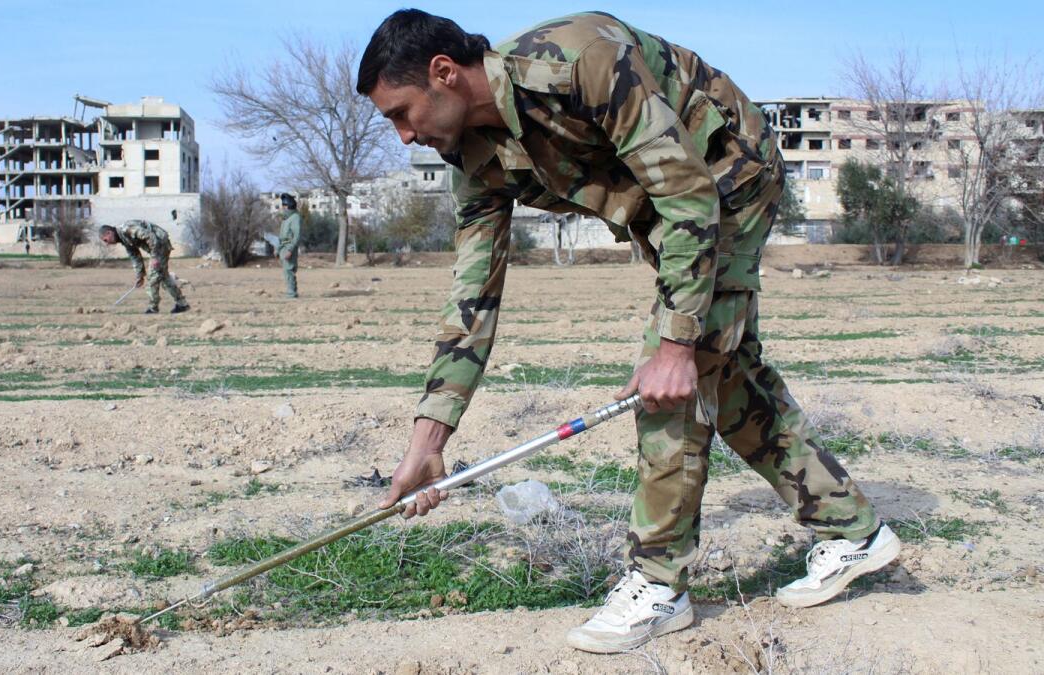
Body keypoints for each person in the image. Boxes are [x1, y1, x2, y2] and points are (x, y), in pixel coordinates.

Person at [358, 9, 900, 653]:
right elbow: (473, 295)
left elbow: (689, 192)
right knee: (723, 375)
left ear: (443, 73)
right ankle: (852, 531)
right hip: (670, 219)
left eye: (401, 112)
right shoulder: (471, 158)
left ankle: (659, 581)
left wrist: (675, 345)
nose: (401, 135)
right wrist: (429, 437)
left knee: (675, 377)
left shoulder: (578, 61)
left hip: (729, 180)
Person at [99, 221, 190, 314]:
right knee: (163, 277)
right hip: (157, 247)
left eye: (105, 240)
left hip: (160, 244)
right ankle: (182, 304)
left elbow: (150, 237)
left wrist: (155, 257)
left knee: (152, 276)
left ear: (109, 233)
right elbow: (135, 256)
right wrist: (140, 276)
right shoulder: (123, 238)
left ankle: (153, 308)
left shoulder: (127, 230)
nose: (107, 243)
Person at [277, 193, 302, 298]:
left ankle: (291, 293)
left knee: (289, 269)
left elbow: (296, 235)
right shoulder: (286, 218)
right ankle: (291, 291)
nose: (283, 207)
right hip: (283, 246)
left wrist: (290, 249)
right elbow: (282, 235)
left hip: (289, 246)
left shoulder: (295, 217)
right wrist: (278, 248)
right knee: (286, 270)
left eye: (284, 205)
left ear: (289, 205)